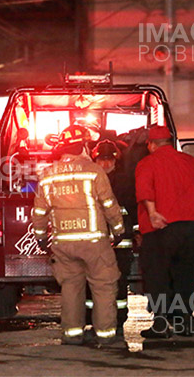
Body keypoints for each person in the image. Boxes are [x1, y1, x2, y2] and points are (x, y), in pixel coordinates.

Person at [32, 124, 124, 346]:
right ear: (82, 145)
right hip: (93, 242)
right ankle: (105, 335)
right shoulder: (93, 171)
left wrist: (41, 236)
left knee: (71, 287)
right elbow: (109, 204)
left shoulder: (47, 174)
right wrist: (119, 230)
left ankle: (72, 334)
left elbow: (39, 211)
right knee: (103, 286)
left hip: (64, 243)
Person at [136, 125, 194, 338]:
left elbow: (144, 191)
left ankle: (160, 323)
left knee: (157, 275)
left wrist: (152, 213)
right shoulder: (191, 162)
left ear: (151, 145)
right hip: (191, 229)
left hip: (161, 227)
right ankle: (184, 321)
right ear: (170, 142)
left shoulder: (147, 163)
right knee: (186, 274)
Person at [88, 139, 137, 335]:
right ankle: (92, 319)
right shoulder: (89, 179)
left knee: (118, 282)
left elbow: (133, 209)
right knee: (92, 282)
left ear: (116, 160)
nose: (106, 163)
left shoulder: (125, 180)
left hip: (120, 244)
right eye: (102, 159)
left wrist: (135, 232)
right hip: (96, 242)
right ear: (95, 160)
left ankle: (118, 319)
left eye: (109, 159)